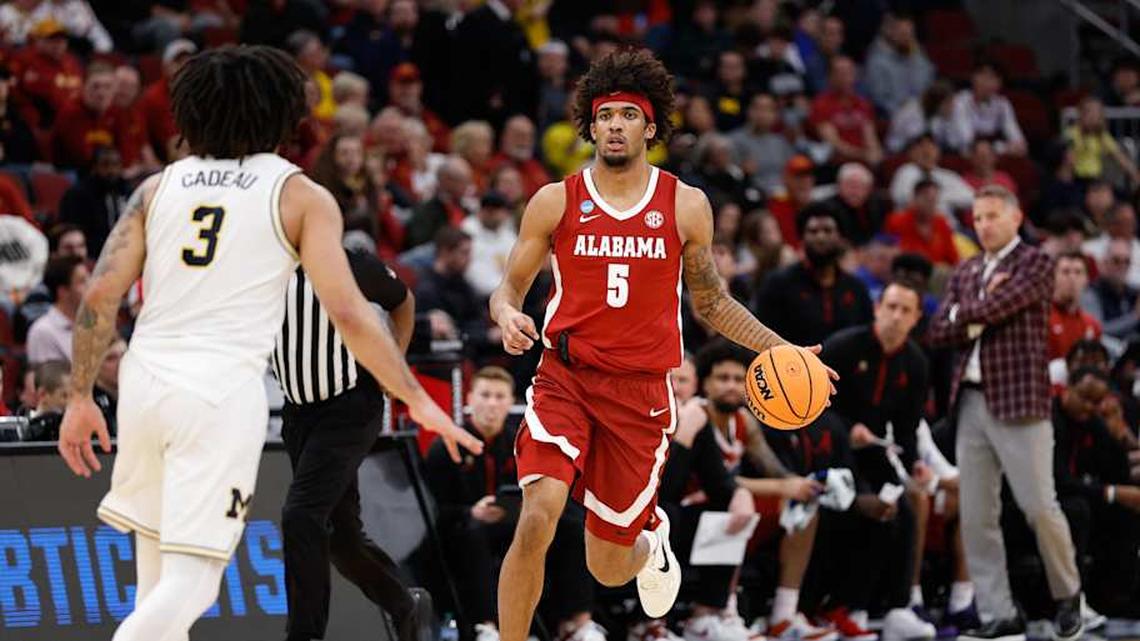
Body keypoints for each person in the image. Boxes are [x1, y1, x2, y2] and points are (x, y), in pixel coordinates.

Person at [55, 45, 479, 641]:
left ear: (190, 112)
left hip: (145, 383)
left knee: (155, 579)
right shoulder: (298, 195)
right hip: (218, 392)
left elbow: (98, 298)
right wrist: (419, 397)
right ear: (285, 115)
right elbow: (353, 317)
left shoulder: (156, 188)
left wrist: (78, 397)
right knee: (192, 584)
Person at [489, 49, 832, 641]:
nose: (615, 125)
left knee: (607, 564)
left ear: (650, 127)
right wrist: (504, 313)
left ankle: (651, 543)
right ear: (591, 126)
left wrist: (786, 350)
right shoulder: (556, 199)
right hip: (563, 378)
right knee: (538, 516)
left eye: (628, 115)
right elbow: (510, 287)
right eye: (605, 116)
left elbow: (712, 302)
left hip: (639, 393)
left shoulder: (684, 204)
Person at [927, 185, 1085, 641]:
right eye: (977, 218)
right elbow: (938, 330)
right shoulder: (968, 267)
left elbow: (1000, 307)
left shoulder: (1035, 262)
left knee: (1039, 506)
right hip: (971, 400)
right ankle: (998, 611)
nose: (984, 225)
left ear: (1015, 218)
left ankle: (1068, 595)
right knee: (977, 514)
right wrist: (969, 315)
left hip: (1021, 401)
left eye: (992, 216)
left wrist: (966, 313)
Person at [271, 247, 426, 641]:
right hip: (298, 412)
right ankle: (403, 604)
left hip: (350, 403)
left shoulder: (349, 263)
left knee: (301, 516)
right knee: (343, 539)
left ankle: (304, 635)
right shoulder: (253, 262)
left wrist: (395, 363)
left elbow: (403, 302)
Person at [425, 367, 603, 641]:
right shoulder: (445, 446)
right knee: (472, 533)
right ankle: (486, 627)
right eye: (485, 395)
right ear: (470, 399)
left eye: (499, 396)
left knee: (572, 525)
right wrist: (471, 511)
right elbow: (432, 509)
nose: (492, 403)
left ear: (511, 402)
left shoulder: (522, 442)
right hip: (467, 528)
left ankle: (577, 624)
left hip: (517, 522)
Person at [819, 280, 939, 641]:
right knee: (871, 511)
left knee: (901, 507)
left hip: (872, 450)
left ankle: (896, 607)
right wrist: (846, 428)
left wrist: (915, 461)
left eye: (905, 310)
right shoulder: (844, 345)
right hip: (833, 448)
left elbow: (907, 425)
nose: (896, 316)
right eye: (891, 307)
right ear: (877, 308)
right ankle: (843, 606)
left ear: (917, 317)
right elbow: (815, 404)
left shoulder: (915, 362)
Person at [1052, 367, 1140, 616]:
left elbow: (1119, 476)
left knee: (1126, 510)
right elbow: (1061, 481)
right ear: (1068, 388)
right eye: (1085, 397)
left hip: (1079, 496)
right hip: (1046, 500)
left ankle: (1117, 598)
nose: (1090, 406)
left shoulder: (1091, 421)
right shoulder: (1050, 419)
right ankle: (1073, 600)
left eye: (1097, 401)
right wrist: (1114, 493)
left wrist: (1119, 436)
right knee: (1078, 510)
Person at [755, 203, 874, 346]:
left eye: (828, 230)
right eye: (813, 231)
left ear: (841, 237)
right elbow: (762, 336)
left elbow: (866, 337)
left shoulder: (856, 288)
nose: (821, 237)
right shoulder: (778, 284)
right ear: (802, 238)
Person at [58, 145, 131, 256]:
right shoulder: (78, 195)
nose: (111, 170)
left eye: (115, 165)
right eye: (105, 165)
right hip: (92, 252)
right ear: (95, 167)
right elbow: (74, 231)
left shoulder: (127, 191)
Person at [950, 62, 1026, 157]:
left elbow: (1019, 143)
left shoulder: (1002, 104)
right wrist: (1003, 147)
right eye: (982, 75)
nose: (986, 81)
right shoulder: (960, 101)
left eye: (992, 77)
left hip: (991, 155)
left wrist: (1008, 147)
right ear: (973, 78)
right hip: (961, 155)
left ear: (999, 83)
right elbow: (967, 142)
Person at [27, 254, 88, 366]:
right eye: (82, 282)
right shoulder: (42, 332)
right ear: (63, 291)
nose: (90, 285)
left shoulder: (94, 321)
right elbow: (50, 380)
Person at [884, 179, 960, 267]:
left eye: (935, 201)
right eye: (927, 200)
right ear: (914, 198)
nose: (931, 205)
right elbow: (888, 255)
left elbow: (954, 259)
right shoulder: (895, 221)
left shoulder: (941, 223)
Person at [1049, 251, 1101, 364]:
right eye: (1065, 272)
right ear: (1053, 277)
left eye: (1078, 272)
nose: (1072, 278)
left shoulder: (1092, 324)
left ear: (1086, 279)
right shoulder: (1041, 319)